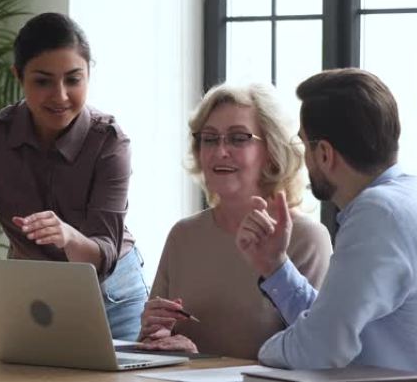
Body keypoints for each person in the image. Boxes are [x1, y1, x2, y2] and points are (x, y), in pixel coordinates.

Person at [236, 68, 417, 381]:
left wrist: (259, 353)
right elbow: (330, 329)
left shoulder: (379, 214)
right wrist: (276, 267)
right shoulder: (414, 196)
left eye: (303, 145)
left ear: (324, 153)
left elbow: (322, 348)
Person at [0, 13, 148, 341]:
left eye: (73, 79)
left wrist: (69, 237)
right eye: (43, 81)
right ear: (19, 77)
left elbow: (105, 249)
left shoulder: (109, 141)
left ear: (89, 75)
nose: (60, 95)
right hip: (32, 292)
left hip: (111, 293)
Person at [138, 83, 332, 359]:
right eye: (209, 138)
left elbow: (315, 353)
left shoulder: (307, 238)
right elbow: (155, 340)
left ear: (272, 152)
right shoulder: (183, 235)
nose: (220, 151)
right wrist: (156, 335)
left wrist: (201, 360)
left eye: (238, 138)